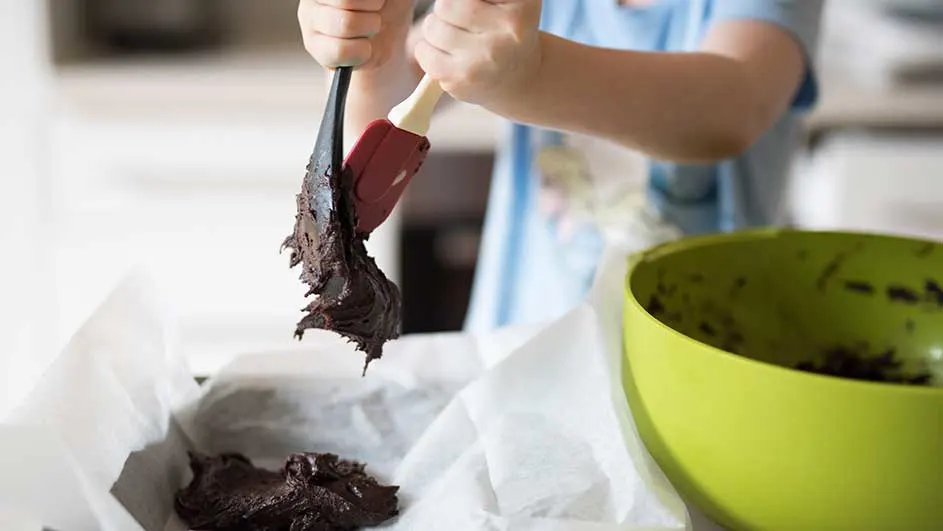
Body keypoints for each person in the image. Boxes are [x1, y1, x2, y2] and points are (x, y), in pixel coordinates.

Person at [297, 0, 824, 332]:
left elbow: (731, 105)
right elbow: (387, 106)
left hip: (704, 368)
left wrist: (531, 77)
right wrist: (371, 58)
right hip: (522, 352)